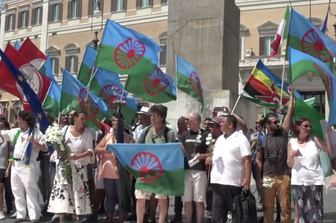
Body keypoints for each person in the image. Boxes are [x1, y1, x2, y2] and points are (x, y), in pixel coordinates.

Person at [0, 111, 47, 222]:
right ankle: (21, 214)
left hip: (28, 164)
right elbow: (2, 133)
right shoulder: (16, 131)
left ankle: (34, 215)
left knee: (30, 189)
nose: (17, 121)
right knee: (16, 189)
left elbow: (45, 147)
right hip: (15, 165)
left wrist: (34, 141)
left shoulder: (36, 132)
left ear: (26, 121)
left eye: (19, 119)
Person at [256, 86, 294, 223]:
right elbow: (259, 160)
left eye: (278, 122)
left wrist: (291, 96)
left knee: (285, 207)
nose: (278, 124)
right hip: (268, 176)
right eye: (275, 122)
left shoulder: (283, 133)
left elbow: (289, 113)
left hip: (284, 175)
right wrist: (259, 178)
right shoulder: (262, 138)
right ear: (267, 125)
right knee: (268, 207)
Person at [48, 111, 93, 223]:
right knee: (63, 191)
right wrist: (60, 151)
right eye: (82, 118)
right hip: (64, 166)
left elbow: (89, 151)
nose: (84, 121)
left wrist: (77, 156)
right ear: (75, 119)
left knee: (77, 193)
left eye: (85, 119)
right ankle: (61, 219)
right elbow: (58, 145)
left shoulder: (87, 133)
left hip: (79, 168)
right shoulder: (64, 130)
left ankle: (75, 218)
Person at [205, 115, 251, 223]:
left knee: (236, 215)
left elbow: (247, 160)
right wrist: (209, 159)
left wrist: (247, 178)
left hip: (233, 183)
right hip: (217, 182)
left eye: (222, 122)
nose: (219, 124)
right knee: (217, 216)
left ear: (230, 125)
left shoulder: (241, 139)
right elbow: (216, 156)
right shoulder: (220, 139)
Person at [287, 118, 333, 223]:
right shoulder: (291, 143)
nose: (308, 128)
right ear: (298, 127)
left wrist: (327, 136)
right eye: (305, 126)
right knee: (302, 213)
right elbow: (289, 164)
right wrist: (290, 156)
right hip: (299, 181)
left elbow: (329, 151)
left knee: (316, 213)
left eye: (309, 126)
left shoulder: (314, 138)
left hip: (315, 180)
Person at [136, 104, 175, 223]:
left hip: (160, 171)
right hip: (145, 169)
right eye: (151, 115)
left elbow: (171, 152)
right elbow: (137, 148)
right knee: (140, 197)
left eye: (155, 115)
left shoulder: (169, 132)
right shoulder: (146, 131)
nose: (152, 118)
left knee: (161, 198)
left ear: (162, 117)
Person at [95, 113, 135, 223]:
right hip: (108, 172)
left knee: (122, 197)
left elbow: (133, 152)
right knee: (110, 197)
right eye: (114, 121)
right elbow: (97, 149)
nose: (116, 124)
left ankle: (121, 220)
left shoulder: (128, 137)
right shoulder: (108, 136)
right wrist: (107, 150)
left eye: (119, 122)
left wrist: (122, 152)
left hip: (122, 173)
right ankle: (110, 219)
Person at [180, 112, 209, 223]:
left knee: (199, 201)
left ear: (196, 120)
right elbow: (181, 149)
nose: (186, 122)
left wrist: (202, 156)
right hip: (186, 171)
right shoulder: (185, 134)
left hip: (199, 172)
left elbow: (212, 153)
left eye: (188, 119)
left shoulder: (206, 134)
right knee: (187, 201)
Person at [0, 119, 12, 220]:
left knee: (2, 188)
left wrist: (8, 167)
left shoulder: (8, 140)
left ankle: (4, 209)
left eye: (2, 127)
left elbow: (10, 154)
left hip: (3, 166)